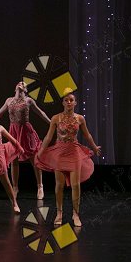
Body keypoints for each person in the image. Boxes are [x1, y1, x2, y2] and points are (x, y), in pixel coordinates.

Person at [35, 90, 102, 226]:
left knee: (75, 185)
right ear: (63, 103)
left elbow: (87, 135)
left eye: (71, 100)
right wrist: (41, 151)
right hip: (60, 153)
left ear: (75, 103)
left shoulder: (80, 118)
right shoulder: (56, 118)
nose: (69, 102)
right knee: (59, 185)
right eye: (66, 100)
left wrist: (94, 147)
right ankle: (59, 213)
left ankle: (75, 214)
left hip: (74, 152)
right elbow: (48, 137)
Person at [0, 80, 51, 199]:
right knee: (14, 159)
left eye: (23, 84)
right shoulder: (9, 100)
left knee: (34, 158)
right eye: (19, 83)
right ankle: (15, 187)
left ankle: (40, 186)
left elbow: (40, 113)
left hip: (26, 131)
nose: (20, 84)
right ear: (15, 88)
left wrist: (51, 122)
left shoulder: (28, 100)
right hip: (13, 132)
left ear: (26, 90)